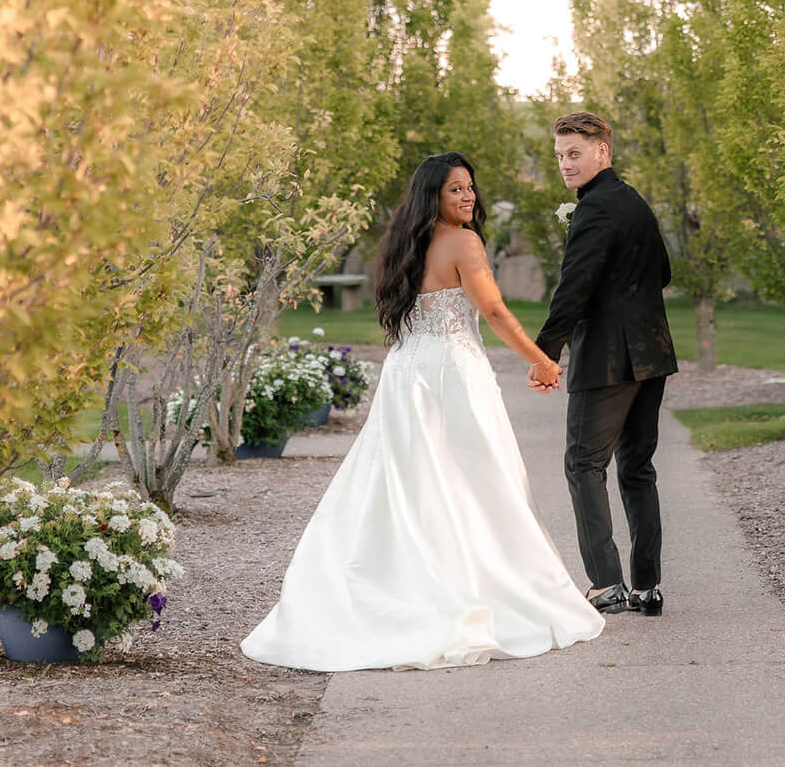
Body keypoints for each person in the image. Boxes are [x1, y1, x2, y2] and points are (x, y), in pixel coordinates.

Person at [240, 152, 604, 671]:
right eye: (455, 189)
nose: (467, 196)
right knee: (477, 480)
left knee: (411, 482)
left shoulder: (403, 245)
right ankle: (472, 591)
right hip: (451, 373)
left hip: (407, 369)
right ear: (433, 194)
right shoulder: (464, 242)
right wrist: (543, 360)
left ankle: (404, 585)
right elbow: (495, 311)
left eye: (470, 187)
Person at [534, 111, 675, 617]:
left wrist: (545, 353)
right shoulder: (633, 200)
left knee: (583, 463)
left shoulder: (594, 210)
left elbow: (575, 288)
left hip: (609, 360)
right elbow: (663, 271)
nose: (565, 164)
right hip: (653, 351)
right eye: (559, 156)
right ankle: (647, 586)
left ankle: (606, 584)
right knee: (637, 467)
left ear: (602, 152)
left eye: (574, 154)